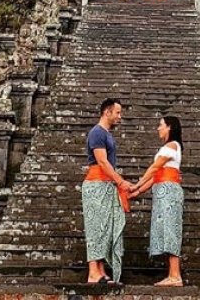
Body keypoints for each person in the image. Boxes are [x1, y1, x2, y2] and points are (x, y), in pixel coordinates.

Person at [128, 116, 185, 287]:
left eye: (160, 125)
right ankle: (172, 274)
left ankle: (175, 276)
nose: (158, 129)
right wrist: (137, 191)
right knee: (166, 229)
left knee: (170, 229)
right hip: (163, 191)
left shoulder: (172, 145)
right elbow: (156, 177)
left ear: (169, 127)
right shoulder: (169, 147)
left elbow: (154, 169)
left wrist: (136, 183)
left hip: (168, 192)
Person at [83, 98, 133, 284]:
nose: (120, 116)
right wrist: (120, 181)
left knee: (105, 227)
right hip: (96, 185)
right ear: (107, 112)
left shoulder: (106, 134)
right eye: (118, 112)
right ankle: (92, 272)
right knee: (96, 227)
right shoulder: (97, 133)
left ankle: (101, 270)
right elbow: (102, 162)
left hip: (105, 185)